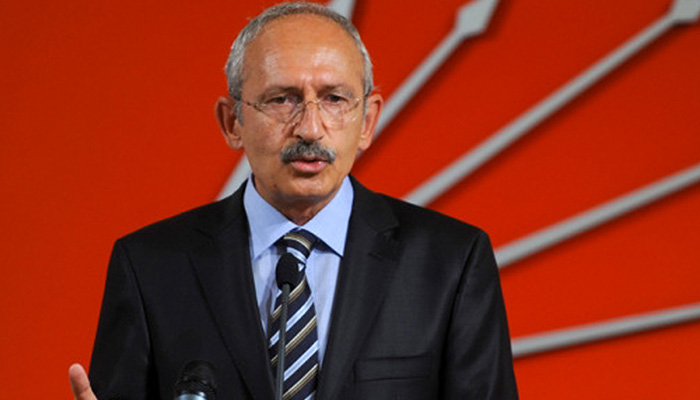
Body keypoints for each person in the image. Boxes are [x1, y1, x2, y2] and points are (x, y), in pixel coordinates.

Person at [69, 2, 518, 399]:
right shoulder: (150, 266)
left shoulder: (452, 262)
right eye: (282, 99)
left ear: (367, 121)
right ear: (232, 122)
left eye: (334, 98)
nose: (309, 128)